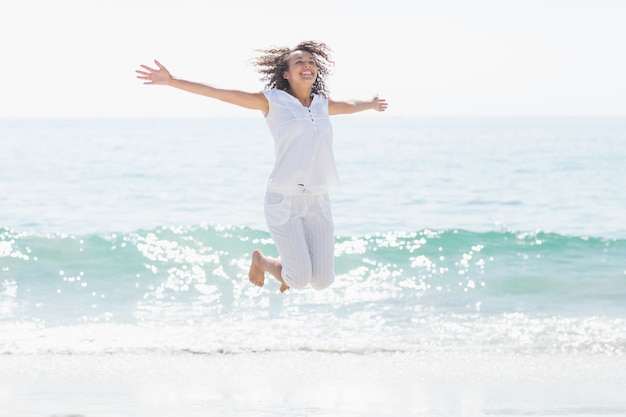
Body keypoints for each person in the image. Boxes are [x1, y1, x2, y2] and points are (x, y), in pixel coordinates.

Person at [136, 41, 388, 293]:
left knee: (323, 282)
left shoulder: (322, 104)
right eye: (299, 62)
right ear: (286, 74)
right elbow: (220, 92)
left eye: (311, 62)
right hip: (283, 199)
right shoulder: (272, 102)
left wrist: (371, 103)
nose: (307, 65)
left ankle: (286, 270)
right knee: (299, 281)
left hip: (318, 199)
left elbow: (352, 106)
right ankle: (262, 261)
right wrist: (172, 80)